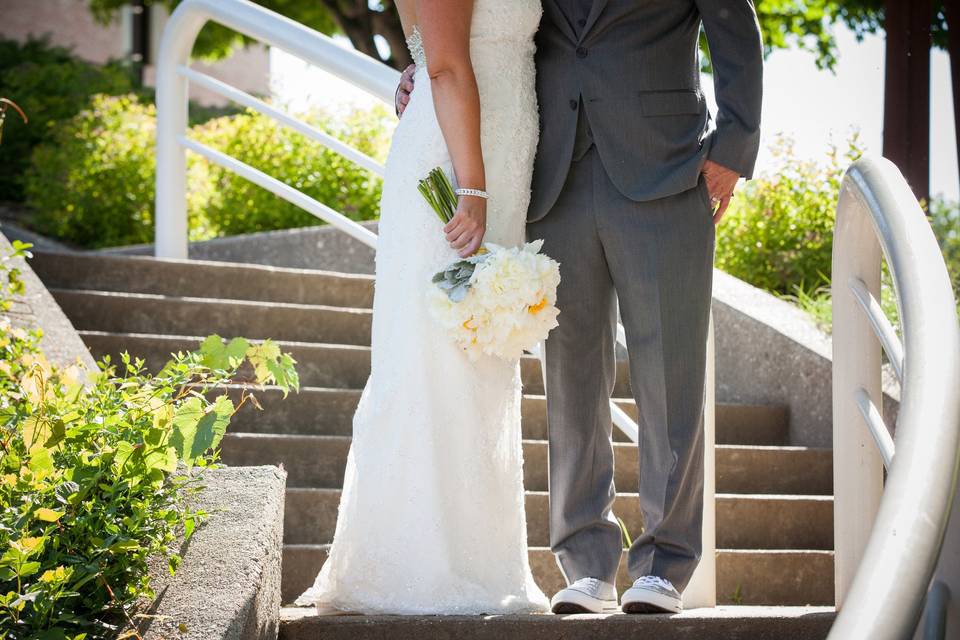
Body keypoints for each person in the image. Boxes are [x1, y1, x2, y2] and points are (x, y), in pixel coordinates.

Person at [399, 0, 764, 616]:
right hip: (554, 170)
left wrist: (733, 146)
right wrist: (417, 66)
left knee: (670, 370)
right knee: (569, 374)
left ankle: (665, 563)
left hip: (668, 165)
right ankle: (586, 563)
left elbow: (736, 28)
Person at [294, 0, 550, 615]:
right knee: (437, 355)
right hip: (459, 163)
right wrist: (473, 186)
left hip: (494, 152)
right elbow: (445, 69)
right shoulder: (468, 175)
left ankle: (482, 560)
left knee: (478, 357)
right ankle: (425, 563)